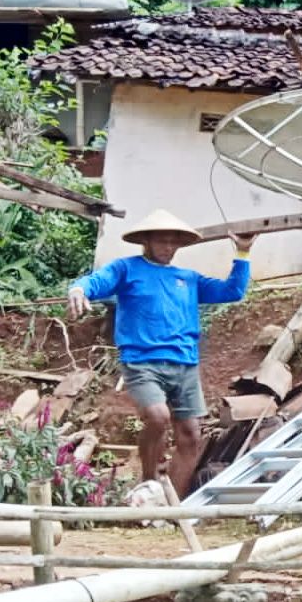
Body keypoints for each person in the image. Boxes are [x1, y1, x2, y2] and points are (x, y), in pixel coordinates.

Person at [67, 210, 252, 496]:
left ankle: (169, 506)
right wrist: (79, 288)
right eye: (162, 241)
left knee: (191, 435)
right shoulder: (126, 269)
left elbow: (232, 291)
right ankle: (148, 482)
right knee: (157, 416)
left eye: (173, 242)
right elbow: (97, 281)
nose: (168, 248)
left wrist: (242, 252)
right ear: (147, 241)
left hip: (184, 364)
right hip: (142, 362)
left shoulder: (187, 278)